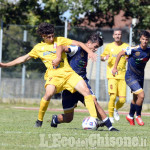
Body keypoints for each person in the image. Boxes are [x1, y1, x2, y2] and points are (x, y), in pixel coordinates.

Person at [0, 22, 98, 127]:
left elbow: (79, 43)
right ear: (43, 36)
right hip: (54, 75)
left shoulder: (59, 40)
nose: (51, 38)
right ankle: (39, 120)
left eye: (52, 35)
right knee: (49, 93)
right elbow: (23, 58)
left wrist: (90, 52)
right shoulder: (38, 48)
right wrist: (5, 65)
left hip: (68, 73)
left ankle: (94, 119)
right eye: (48, 36)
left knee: (86, 90)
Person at [51, 33, 119, 131]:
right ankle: (55, 119)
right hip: (69, 85)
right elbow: (61, 47)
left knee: (94, 101)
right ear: (89, 43)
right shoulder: (76, 49)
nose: (95, 49)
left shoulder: (87, 53)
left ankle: (110, 126)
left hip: (82, 83)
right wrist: (57, 58)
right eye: (95, 46)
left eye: (97, 48)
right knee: (69, 118)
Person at [112, 30, 150, 126]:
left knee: (136, 98)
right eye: (143, 39)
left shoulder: (148, 50)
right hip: (130, 76)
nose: (145, 41)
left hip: (140, 77)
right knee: (141, 95)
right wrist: (115, 67)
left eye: (146, 39)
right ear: (140, 39)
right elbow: (120, 53)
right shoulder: (134, 49)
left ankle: (130, 115)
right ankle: (138, 116)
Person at [101, 29, 129, 123]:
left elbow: (130, 57)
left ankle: (116, 109)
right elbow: (101, 57)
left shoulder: (126, 46)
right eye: (116, 34)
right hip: (112, 75)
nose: (117, 36)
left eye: (119, 34)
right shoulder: (109, 46)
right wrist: (105, 58)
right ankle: (110, 116)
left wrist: (128, 58)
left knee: (122, 100)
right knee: (112, 97)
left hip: (122, 75)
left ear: (121, 36)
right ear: (113, 36)